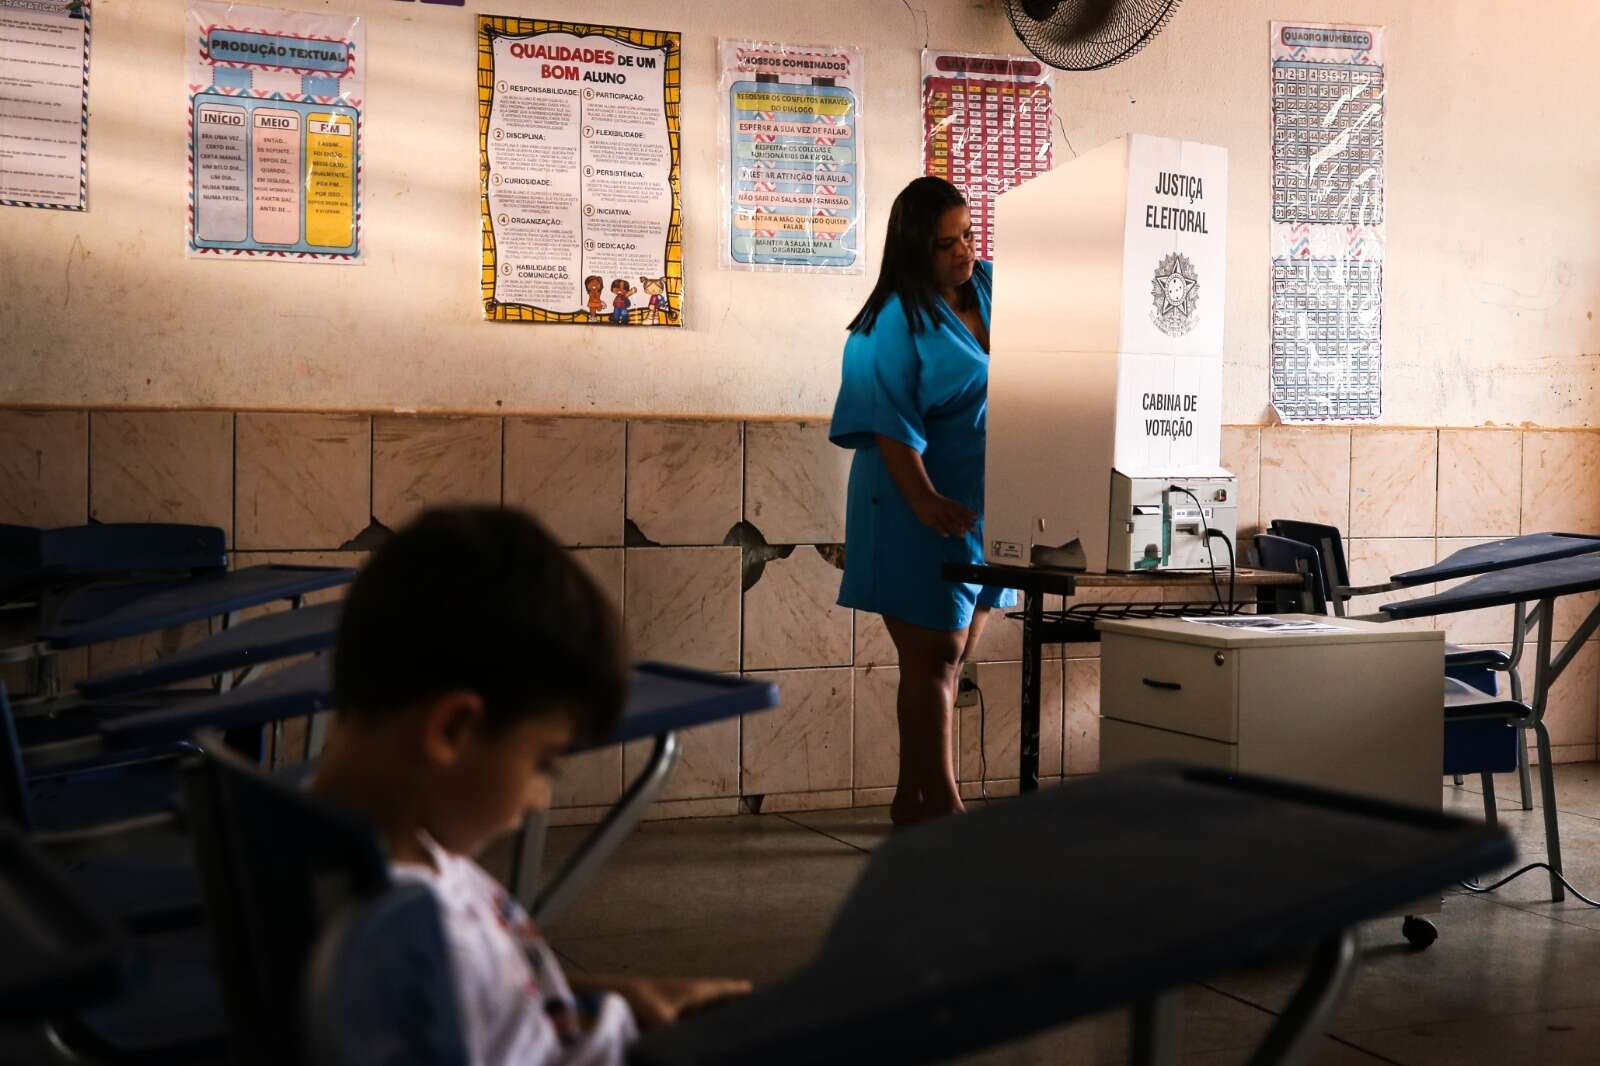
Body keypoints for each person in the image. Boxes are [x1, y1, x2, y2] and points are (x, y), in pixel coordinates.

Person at [312, 506, 749, 1065]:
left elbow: (484, 1000)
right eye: (545, 763)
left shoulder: (352, 859)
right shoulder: (411, 937)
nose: (541, 795)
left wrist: (605, 997)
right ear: (453, 730)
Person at [830, 176, 1016, 827]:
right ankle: (943, 809)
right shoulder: (890, 322)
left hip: (981, 507)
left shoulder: (994, 288)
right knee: (932, 656)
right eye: (946, 245)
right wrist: (927, 502)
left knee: (956, 653)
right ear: (915, 251)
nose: (964, 252)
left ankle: (911, 800)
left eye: (968, 235)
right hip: (910, 505)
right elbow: (888, 423)